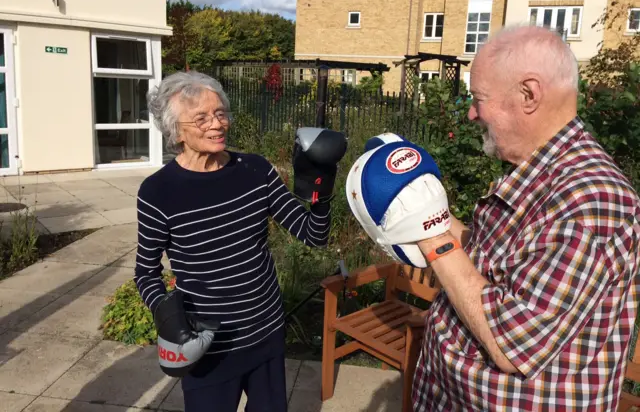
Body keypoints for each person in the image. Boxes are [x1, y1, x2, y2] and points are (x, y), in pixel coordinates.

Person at [349, 25, 640, 410]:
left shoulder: (591, 202)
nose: (471, 113)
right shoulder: (539, 171)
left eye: (478, 98)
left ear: (529, 95)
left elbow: (512, 343)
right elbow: (493, 259)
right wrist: (433, 215)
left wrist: (429, 234)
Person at [133, 71, 346, 412]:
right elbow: (145, 273)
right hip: (208, 349)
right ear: (175, 131)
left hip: (266, 334)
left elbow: (313, 235)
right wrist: (167, 316)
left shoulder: (255, 170)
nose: (216, 124)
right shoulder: (158, 192)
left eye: (220, 113)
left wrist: (319, 188)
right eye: (201, 118)